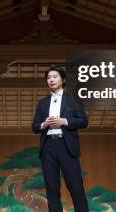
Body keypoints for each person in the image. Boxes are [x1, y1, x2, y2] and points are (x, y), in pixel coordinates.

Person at [31, 66, 89, 212]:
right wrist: (44, 124)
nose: (51, 79)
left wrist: (64, 122)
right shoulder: (42, 103)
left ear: (63, 80)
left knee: (75, 185)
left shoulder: (73, 98)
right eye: (49, 77)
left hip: (66, 145)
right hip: (48, 147)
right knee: (51, 187)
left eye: (54, 76)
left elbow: (83, 121)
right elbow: (34, 126)